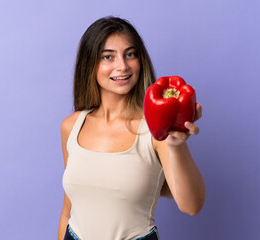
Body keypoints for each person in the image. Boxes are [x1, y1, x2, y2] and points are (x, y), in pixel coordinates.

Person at [57, 16, 205, 240]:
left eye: (130, 54)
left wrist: (176, 146)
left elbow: (192, 206)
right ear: (90, 65)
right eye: (108, 56)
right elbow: (68, 210)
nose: (122, 66)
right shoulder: (72, 126)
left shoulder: (156, 131)